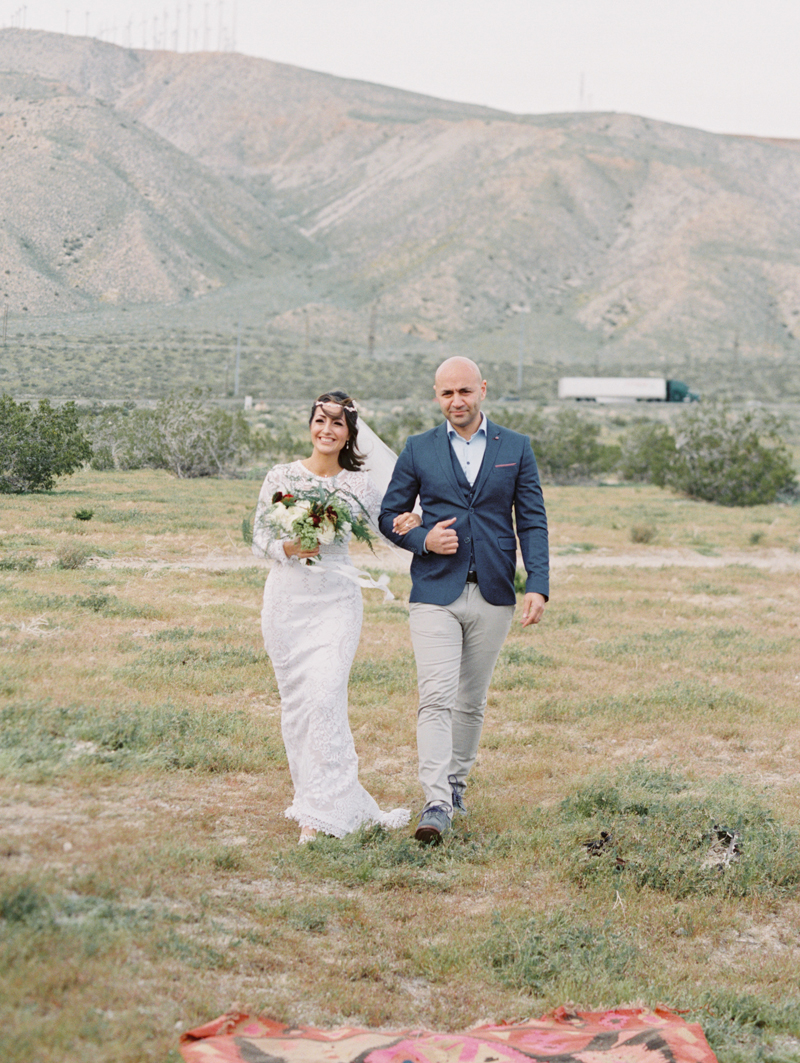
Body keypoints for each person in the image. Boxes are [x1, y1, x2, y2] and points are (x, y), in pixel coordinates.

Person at [379, 357, 549, 843]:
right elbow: (390, 514)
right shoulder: (418, 449)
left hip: (495, 591)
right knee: (436, 696)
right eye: (447, 393)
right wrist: (423, 540)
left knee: (470, 701)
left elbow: (532, 520)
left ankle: (455, 788)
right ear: (437, 396)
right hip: (435, 590)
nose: (457, 401)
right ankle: (433, 800)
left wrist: (537, 582)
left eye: (465, 392)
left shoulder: (516, 447)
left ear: (483, 390)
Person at [252, 390, 417, 844]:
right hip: (286, 602)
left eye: (337, 424)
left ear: (350, 433)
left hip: (336, 603)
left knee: (326, 696)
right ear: (310, 424)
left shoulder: (358, 485)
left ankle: (319, 817)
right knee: (299, 706)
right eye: (320, 420)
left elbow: (392, 524)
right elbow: (258, 538)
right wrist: (289, 546)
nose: (327, 430)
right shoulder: (280, 476)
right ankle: (313, 798)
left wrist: (417, 524)